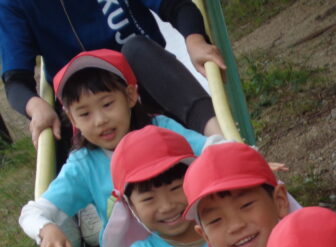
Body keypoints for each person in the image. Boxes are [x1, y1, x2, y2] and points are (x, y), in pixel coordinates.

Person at [17, 49, 207, 247]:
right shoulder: (84, 165)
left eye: (107, 104)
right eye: (84, 113)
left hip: (194, 242)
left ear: (129, 96)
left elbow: (213, 149)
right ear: (72, 118)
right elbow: (32, 212)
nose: (100, 120)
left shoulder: (161, 131)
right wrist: (45, 229)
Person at [0, 0, 224, 146]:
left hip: (143, 86)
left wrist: (196, 41)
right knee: (53, 122)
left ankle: (222, 137)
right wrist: (35, 106)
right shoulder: (13, 5)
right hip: (87, 109)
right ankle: (74, 215)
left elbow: (176, 6)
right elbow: (15, 79)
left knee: (136, 48)